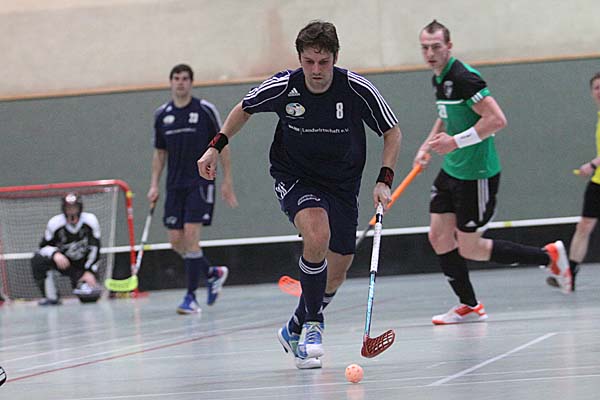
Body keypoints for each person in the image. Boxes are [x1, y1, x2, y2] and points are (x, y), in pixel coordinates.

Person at [198, 20, 402, 369]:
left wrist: (384, 179)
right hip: (295, 176)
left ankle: (293, 327)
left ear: (335, 58)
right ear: (300, 59)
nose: (316, 70)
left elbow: (392, 131)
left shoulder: (356, 89)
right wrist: (214, 147)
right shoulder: (284, 87)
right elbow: (244, 108)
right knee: (317, 234)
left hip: (342, 185)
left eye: (324, 62)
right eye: (309, 62)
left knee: (337, 271)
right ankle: (313, 326)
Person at [413, 20, 572, 325]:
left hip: (477, 174)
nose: (430, 53)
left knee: (471, 248)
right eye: (425, 48)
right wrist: (427, 145)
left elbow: (497, 120)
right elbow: (445, 115)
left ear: (449, 46)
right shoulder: (439, 78)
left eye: (436, 47)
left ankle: (549, 257)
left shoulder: (465, 78)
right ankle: (469, 305)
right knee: (438, 236)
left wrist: (454, 142)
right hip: (452, 169)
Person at [148, 63, 238, 315]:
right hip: (174, 186)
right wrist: (154, 184)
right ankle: (211, 272)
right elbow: (159, 153)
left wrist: (227, 180)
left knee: (191, 236)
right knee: (176, 241)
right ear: (171, 82)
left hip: (199, 183)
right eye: (176, 78)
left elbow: (222, 144)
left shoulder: (204, 110)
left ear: (191, 82)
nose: (180, 82)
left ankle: (190, 297)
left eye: (185, 78)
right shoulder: (162, 115)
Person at [547, 72, 600, 291]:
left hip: (596, 172)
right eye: (596, 88)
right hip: (598, 182)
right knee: (584, 226)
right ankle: (570, 273)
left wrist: (593, 164)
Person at [31, 193, 102, 305]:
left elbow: (95, 249)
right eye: (68, 208)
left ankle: (83, 282)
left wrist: (89, 271)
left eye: (74, 208)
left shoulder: (90, 221)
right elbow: (43, 247)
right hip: (64, 264)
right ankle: (51, 296)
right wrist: (55, 254)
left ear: (80, 208)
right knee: (38, 259)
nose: (72, 211)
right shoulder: (55, 223)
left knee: (90, 297)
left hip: (83, 265)